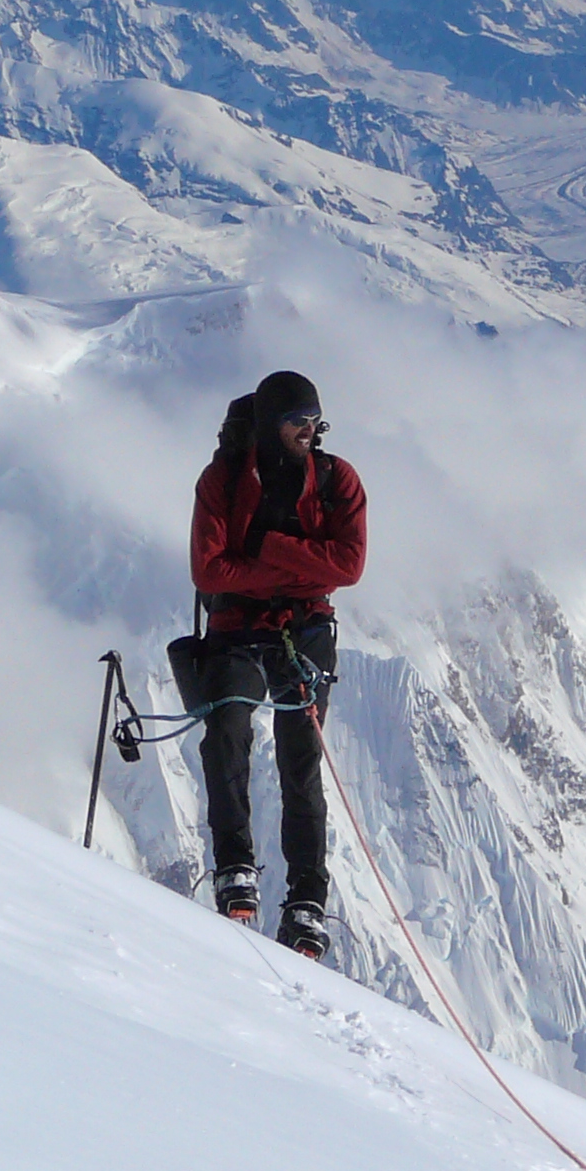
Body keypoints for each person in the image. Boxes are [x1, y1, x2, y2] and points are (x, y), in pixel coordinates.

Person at [187, 370, 368, 958]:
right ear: (270, 425)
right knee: (228, 732)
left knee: (300, 755)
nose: (310, 433)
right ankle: (235, 866)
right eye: (298, 422)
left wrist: (263, 553)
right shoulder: (222, 479)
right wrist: (298, 570)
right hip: (253, 624)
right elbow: (208, 571)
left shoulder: (338, 481)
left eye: (315, 422)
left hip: (291, 624)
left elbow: (349, 565)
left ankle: (305, 900)